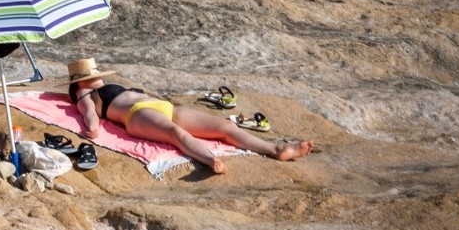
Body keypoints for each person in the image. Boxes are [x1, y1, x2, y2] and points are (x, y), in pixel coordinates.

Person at [66, 58, 313, 174]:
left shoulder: (98, 89)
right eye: (92, 73)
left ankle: (277, 149)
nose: (98, 75)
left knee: (224, 127)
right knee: (175, 134)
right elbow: (90, 115)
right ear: (80, 83)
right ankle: (209, 159)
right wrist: (93, 128)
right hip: (136, 115)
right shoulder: (85, 96)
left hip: (167, 108)